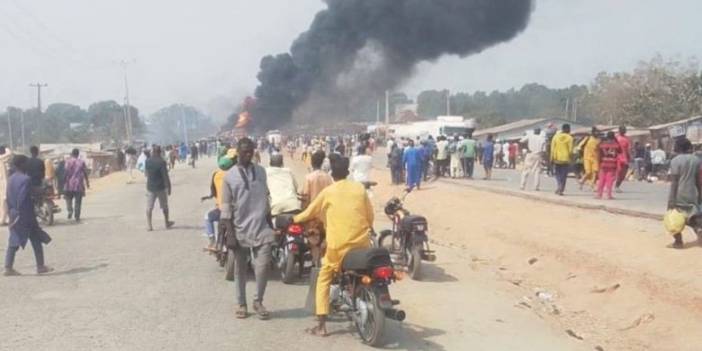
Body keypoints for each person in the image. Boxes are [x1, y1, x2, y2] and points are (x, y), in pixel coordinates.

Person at [292, 156, 373, 337]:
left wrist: (294, 219)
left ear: (333, 174)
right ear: (347, 172)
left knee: (324, 278)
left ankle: (321, 326)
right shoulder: (359, 188)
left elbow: (310, 211)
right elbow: (370, 216)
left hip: (338, 248)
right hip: (362, 244)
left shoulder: (329, 192)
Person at [221, 138, 274, 320]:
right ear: (237, 152)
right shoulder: (229, 177)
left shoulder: (261, 171)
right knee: (240, 269)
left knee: (263, 267)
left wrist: (270, 223)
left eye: (251, 151)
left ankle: (258, 301)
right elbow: (226, 207)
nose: (248, 154)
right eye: (245, 151)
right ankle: (241, 304)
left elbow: (265, 199)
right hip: (239, 229)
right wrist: (229, 234)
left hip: (262, 227)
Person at [4, 155, 53, 276]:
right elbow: (29, 193)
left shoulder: (11, 179)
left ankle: (8, 267)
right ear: (21, 165)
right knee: (36, 240)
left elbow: (8, 198)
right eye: (26, 163)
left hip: (14, 214)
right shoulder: (26, 179)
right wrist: (43, 190)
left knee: (14, 240)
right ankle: (40, 266)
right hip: (26, 215)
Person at [666, 137, 702, 249]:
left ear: (678, 147)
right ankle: (699, 230)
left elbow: (674, 183)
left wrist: (671, 200)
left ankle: (678, 241)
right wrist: (700, 194)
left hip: (679, 194)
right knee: (693, 217)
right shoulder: (697, 160)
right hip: (693, 193)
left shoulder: (675, 161)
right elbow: (698, 181)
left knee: (674, 219)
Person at [201, 151, 236, 251]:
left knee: (207, 216)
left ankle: (212, 241)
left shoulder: (216, 175)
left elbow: (214, 192)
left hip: (222, 209)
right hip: (237, 209)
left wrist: (209, 197)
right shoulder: (236, 174)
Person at [144, 146, 174, 231]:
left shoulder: (147, 161)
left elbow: (146, 173)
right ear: (160, 152)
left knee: (149, 207)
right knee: (164, 206)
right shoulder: (161, 162)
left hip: (150, 187)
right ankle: (167, 222)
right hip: (160, 187)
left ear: (153, 152)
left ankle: (149, 225)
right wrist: (169, 187)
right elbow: (165, 176)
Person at [63, 149, 90, 222]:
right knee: (78, 201)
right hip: (78, 185)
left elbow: (65, 172)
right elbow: (85, 173)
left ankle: (70, 210)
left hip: (69, 184)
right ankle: (77, 216)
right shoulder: (81, 162)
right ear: (78, 154)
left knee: (68, 199)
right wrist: (87, 182)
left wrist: (63, 181)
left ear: (72, 154)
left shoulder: (68, 162)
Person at [596, 132, 621, 200]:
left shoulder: (602, 144)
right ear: (613, 137)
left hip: (603, 164)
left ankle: (599, 194)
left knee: (601, 180)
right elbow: (620, 151)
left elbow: (598, 152)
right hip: (612, 164)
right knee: (609, 180)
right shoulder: (616, 145)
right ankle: (608, 195)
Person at [550, 124, 573, 196]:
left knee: (557, 174)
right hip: (565, 159)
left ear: (562, 129)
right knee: (564, 174)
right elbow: (570, 150)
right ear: (568, 129)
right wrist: (571, 158)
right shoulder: (570, 138)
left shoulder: (555, 137)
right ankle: (561, 188)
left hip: (557, 158)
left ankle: (559, 185)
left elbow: (552, 149)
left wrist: (551, 158)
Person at [615, 126, 631, 192]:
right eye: (622, 130)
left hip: (625, 158)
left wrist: (629, 156)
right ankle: (613, 186)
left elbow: (628, 149)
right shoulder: (616, 138)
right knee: (618, 172)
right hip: (617, 157)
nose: (624, 131)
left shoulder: (627, 139)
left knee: (623, 174)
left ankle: (617, 186)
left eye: (624, 130)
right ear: (619, 130)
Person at [0, 146, 12, 225]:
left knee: (3, 202)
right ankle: (3, 219)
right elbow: (9, 154)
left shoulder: (2, 160)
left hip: (3, 183)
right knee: (4, 202)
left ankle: (4, 219)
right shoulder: (1, 159)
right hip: (3, 183)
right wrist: (7, 148)